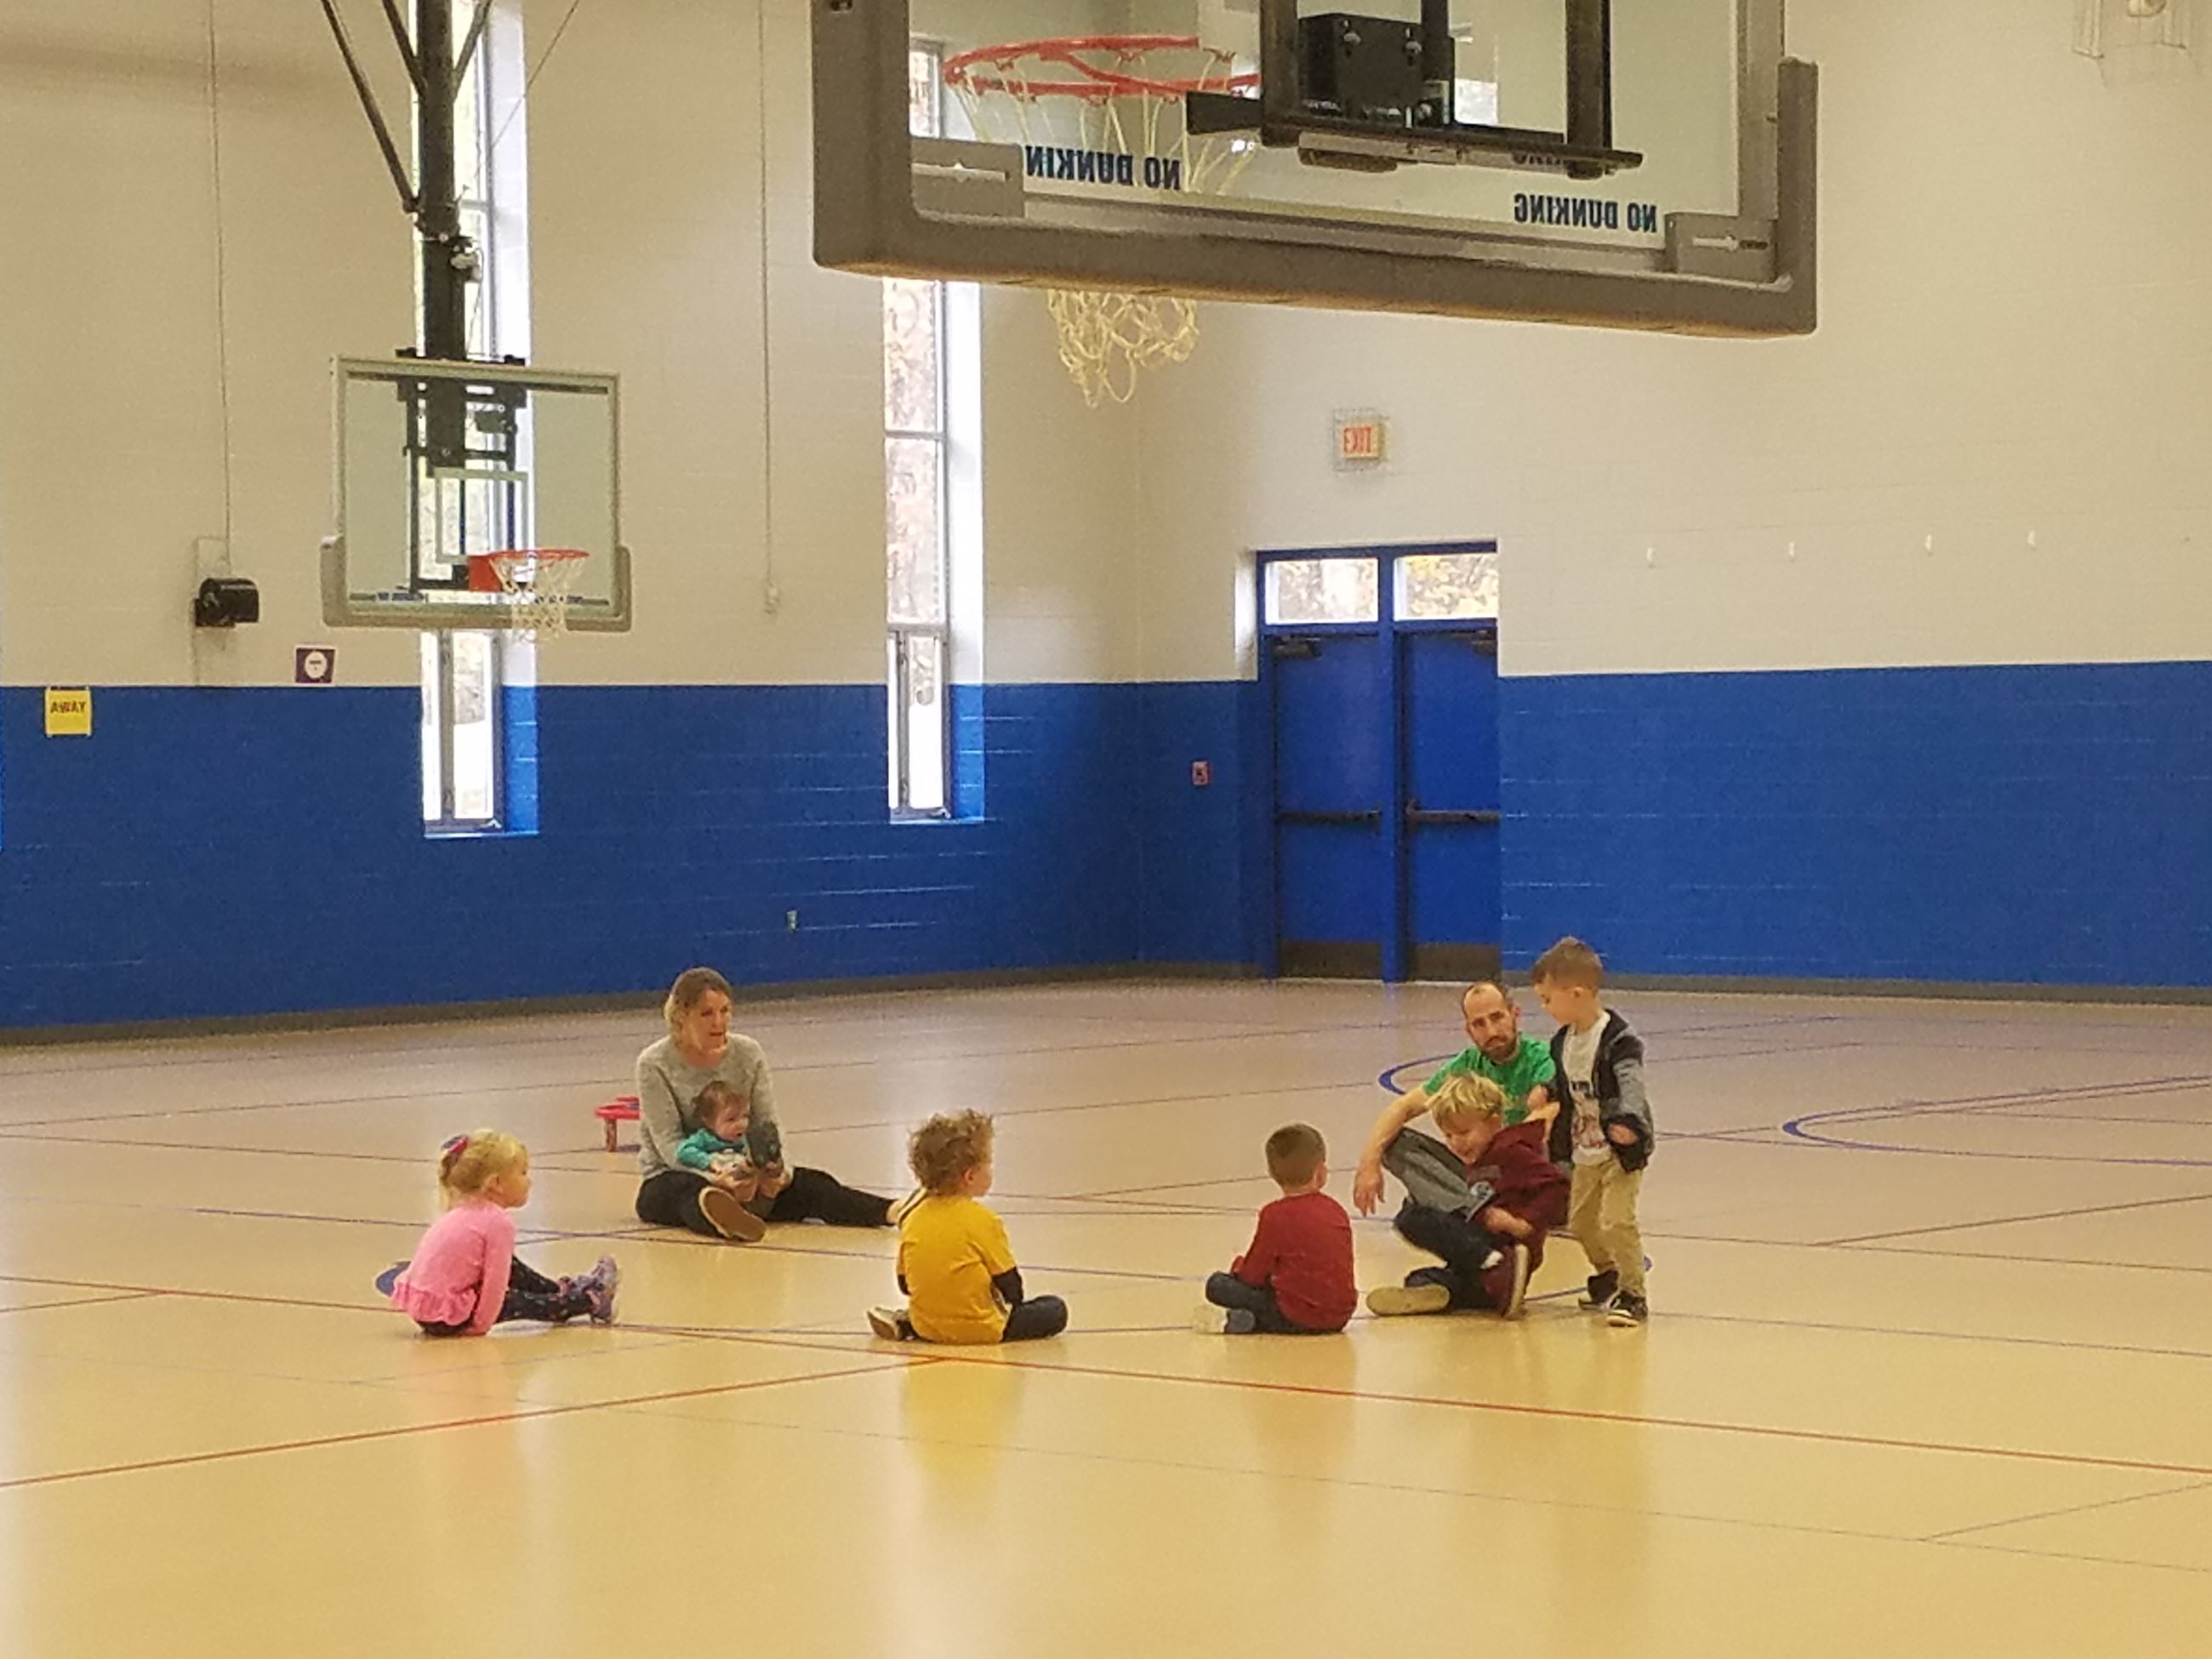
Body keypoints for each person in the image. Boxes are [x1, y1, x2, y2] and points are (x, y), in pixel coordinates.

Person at [634, 966, 894, 1241]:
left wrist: (777, 1172)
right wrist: (715, 1177)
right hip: (682, 1173)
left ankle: (892, 1211)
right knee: (682, 1194)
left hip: (746, 1172)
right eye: (707, 1013)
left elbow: (767, 1124)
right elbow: (669, 1144)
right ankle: (726, 1218)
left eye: (725, 1011)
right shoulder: (654, 1064)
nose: (719, 1022)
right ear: (681, 1017)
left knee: (813, 1185)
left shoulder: (748, 1053)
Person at [1362, 1073, 1567, 1320]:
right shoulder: (1478, 1157)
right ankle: (1463, 1287)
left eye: (1463, 1133)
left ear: (1494, 1121)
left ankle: (1493, 1265)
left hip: (1504, 1244)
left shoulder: (1512, 1151)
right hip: (1481, 1262)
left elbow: (1558, 1187)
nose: (1456, 1143)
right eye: (1448, 1136)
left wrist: (1524, 1224)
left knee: (1412, 1218)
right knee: (1423, 1277)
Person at [1352, 980, 1557, 1221]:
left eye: (1497, 1017)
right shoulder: (1466, 1064)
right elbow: (1404, 1107)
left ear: (1515, 1015)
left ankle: (1469, 1206)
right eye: (1479, 1024)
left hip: (1527, 1169)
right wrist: (1369, 1163)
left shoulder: (1542, 1058)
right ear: (1468, 1030)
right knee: (1394, 1144)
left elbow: (1548, 1114)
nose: (1491, 1031)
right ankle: (1471, 1208)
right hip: (1483, 1176)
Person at [1532, 936, 1655, 1327]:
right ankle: (1609, 1275)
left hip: (1620, 1149)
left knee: (1616, 1221)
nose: (1545, 1008)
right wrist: (1547, 1090)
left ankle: (1634, 1294)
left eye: (1548, 1000)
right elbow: (1567, 1083)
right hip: (1585, 1149)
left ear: (1578, 993)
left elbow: (1630, 1084)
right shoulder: (1563, 1043)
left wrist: (1628, 1123)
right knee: (1582, 1222)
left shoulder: (1618, 1041)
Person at [384, 1132, 616, 1335]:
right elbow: (496, 1283)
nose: (529, 1182)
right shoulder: (497, 1221)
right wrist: (481, 1325)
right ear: (496, 1183)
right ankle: (587, 1300)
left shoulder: (460, 1209)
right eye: (523, 1173)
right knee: (514, 1300)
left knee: (512, 1267)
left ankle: (559, 1290)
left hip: (428, 1312)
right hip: (450, 1317)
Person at [868, 1110, 1067, 1344]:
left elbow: (905, 1284)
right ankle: (932, 1321)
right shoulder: (982, 1220)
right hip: (982, 1328)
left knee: (929, 1307)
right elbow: (1011, 1285)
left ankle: (908, 1323)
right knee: (1055, 1309)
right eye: (989, 1163)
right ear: (970, 1176)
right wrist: (1011, 1306)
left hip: (927, 1327)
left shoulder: (913, 1217)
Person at [1195, 1122, 1356, 1335]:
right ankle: (1250, 1320)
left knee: (1217, 1285)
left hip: (1294, 1316)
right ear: (1320, 1172)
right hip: (1339, 1316)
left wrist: (1238, 1267)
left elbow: (1252, 1275)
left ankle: (1246, 1321)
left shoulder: (1274, 1215)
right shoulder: (1336, 1210)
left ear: (1271, 1172)